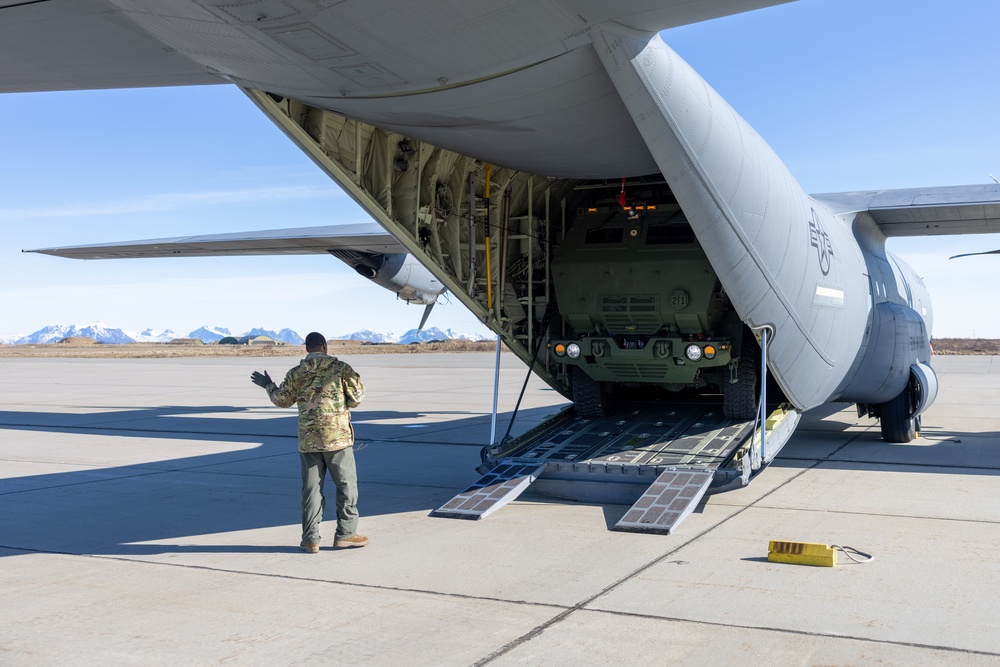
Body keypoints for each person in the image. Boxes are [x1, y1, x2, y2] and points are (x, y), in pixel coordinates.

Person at [251, 332, 368, 553]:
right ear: (324, 346)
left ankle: (311, 539)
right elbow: (356, 399)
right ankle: (346, 534)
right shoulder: (341, 368)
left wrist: (268, 385)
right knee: (346, 486)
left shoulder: (296, 373)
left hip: (309, 441)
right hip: (337, 440)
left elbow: (281, 400)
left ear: (307, 348)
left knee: (311, 490)